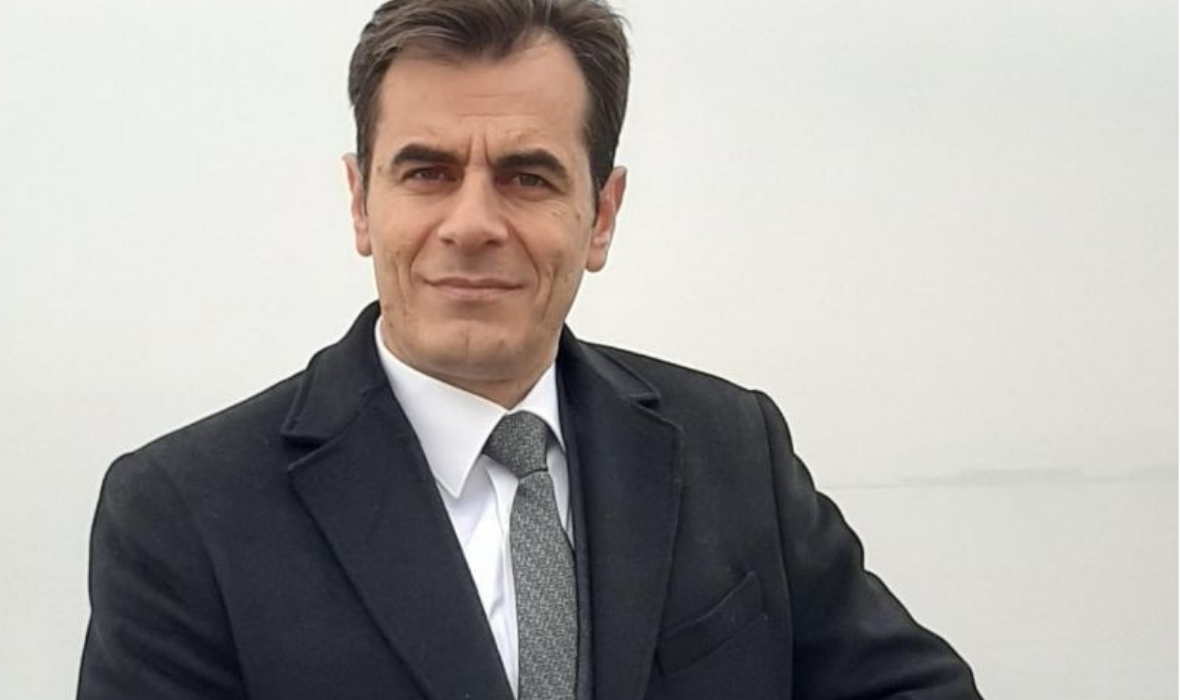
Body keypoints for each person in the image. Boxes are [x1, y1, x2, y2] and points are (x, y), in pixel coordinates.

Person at [77, 0, 982, 698]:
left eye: (527, 176)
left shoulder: (732, 449)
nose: (471, 223)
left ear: (602, 215)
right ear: (360, 202)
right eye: (426, 171)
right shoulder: (184, 514)